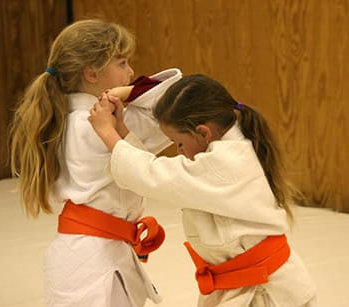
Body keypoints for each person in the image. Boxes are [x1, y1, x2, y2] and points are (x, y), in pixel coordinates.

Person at [88, 74, 317, 307]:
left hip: (266, 293)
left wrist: (108, 133)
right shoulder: (231, 148)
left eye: (179, 143)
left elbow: (154, 175)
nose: (180, 152)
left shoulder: (225, 164)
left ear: (204, 133)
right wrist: (122, 128)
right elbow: (160, 172)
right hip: (247, 285)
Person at [8, 18, 182, 307]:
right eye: (123, 63)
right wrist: (126, 93)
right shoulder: (97, 126)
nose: (132, 72)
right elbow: (177, 97)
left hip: (85, 253)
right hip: (93, 261)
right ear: (91, 73)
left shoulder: (66, 120)